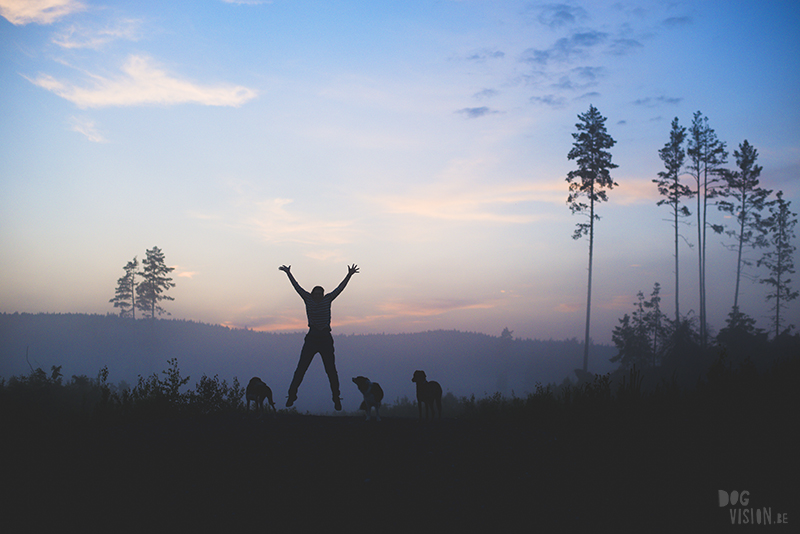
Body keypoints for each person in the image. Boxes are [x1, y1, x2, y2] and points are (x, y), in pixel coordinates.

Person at [279, 264, 359, 410]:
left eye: (319, 294)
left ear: (322, 294)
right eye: (315, 294)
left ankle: (336, 398)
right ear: (312, 294)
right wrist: (288, 273)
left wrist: (349, 275)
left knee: (331, 370)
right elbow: (297, 287)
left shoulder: (328, 299)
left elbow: (340, 289)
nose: (317, 296)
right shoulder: (307, 299)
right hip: (312, 337)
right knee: (301, 368)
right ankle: (291, 395)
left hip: (325, 338)